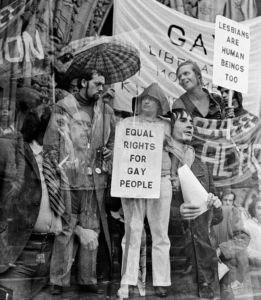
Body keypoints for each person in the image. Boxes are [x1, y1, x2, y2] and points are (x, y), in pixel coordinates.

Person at [44, 69, 116, 295]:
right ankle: (59, 280)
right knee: (66, 229)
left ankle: (87, 278)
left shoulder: (106, 111)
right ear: (84, 82)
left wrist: (108, 153)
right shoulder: (63, 107)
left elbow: (113, 143)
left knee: (92, 228)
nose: (101, 88)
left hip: (94, 180)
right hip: (68, 179)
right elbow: (51, 143)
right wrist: (55, 174)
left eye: (103, 84)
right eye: (97, 84)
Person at [117, 83, 172, 298]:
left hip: (160, 180)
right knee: (132, 232)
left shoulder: (167, 126)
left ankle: (161, 281)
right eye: (144, 98)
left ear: (160, 106)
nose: (146, 102)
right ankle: (129, 279)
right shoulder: (126, 123)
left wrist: (174, 175)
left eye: (152, 99)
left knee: (160, 233)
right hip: (134, 179)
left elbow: (178, 151)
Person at [0, 104, 59, 300]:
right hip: (18, 253)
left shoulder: (56, 156)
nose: (63, 130)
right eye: (58, 125)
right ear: (43, 127)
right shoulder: (12, 148)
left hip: (49, 254)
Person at [167, 108, 223, 299]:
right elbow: (146, 214)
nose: (190, 125)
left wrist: (216, 205)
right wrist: (177, 212)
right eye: (183, 121)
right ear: (169, 126)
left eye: (191, 121)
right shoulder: (160, 161)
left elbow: (216, 219)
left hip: (204, 272)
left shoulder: (202, 166)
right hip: (175, 268)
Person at [213, 191, 250, 299]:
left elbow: (243, 238)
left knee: (228, 294)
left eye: (230, 200)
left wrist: (221, 249)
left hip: (231, 265)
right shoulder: (212, 213)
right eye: (225, 200)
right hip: (213, 265)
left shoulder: (234, 213)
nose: (228, 203)